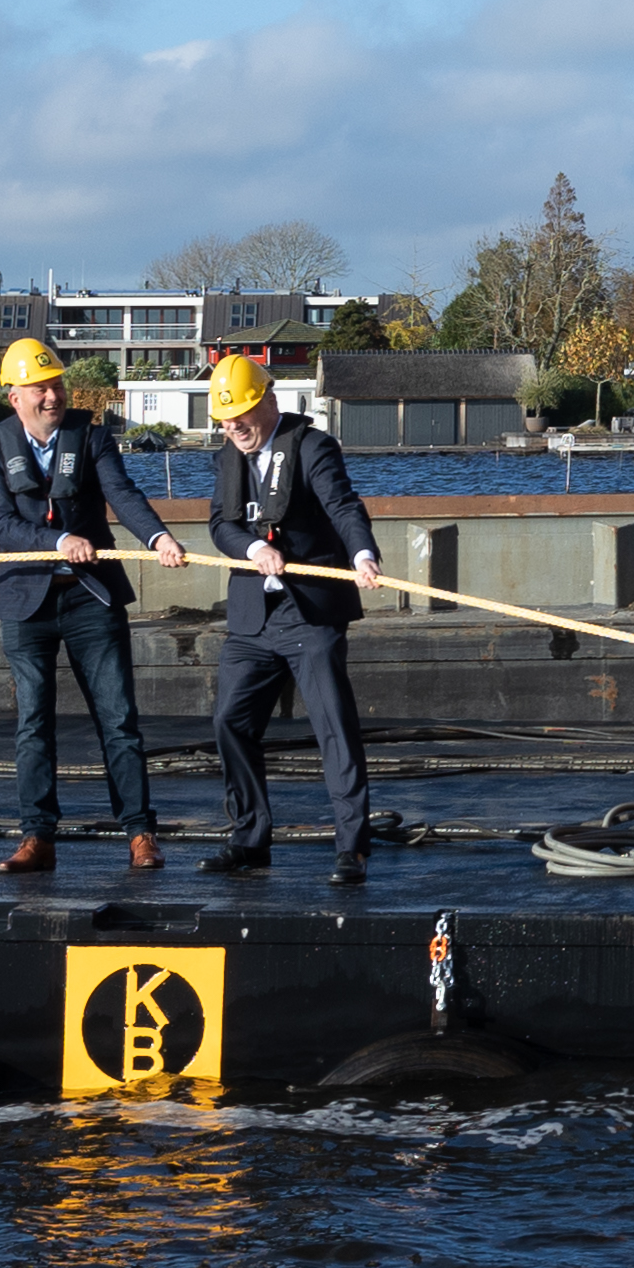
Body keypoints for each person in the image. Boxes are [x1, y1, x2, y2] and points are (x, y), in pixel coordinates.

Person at [0, 336, 190, 871]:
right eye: (41, 389)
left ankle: (140, 834)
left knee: (118, 720)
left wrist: (158, 539)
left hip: (92, 598)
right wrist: (56, 543)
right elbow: (1, 525)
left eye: (57, 386)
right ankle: (37, 837)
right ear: (15, 395)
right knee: (33, 722)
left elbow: (124, 495)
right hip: (27, 603)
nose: (53, 397)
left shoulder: (91, 440)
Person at [192, 354, 384, 882]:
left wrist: (363, 555)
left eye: (244, 418)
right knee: (230, 722)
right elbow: (219, 525)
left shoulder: (314, 447)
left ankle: (352, 846)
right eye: (226, 422)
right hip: (254, 618)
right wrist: (253, 549)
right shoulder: (226, 457)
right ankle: (251, 840)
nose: (235, 430)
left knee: (333, 729)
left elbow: (345, 507)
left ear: (270, 403)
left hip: (311, 613)